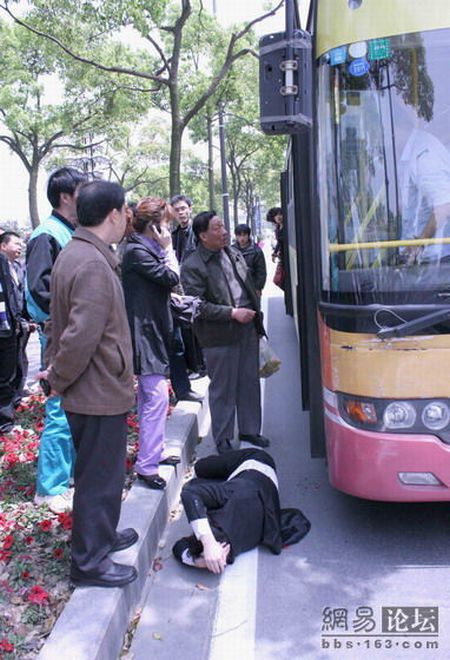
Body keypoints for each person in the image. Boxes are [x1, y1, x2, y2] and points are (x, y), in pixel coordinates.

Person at [41, 180, 138, 588]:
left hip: (94, 387)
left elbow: (59, 323)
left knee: (102, 474)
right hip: (96, 391)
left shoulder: (79, 252)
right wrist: (57, 377)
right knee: (99, 479)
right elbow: (80, 335)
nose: (126, 219)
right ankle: (89, 562)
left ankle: (101, 535)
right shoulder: (94, 263)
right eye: (125, 212)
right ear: (113, 214)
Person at [181, 211, 269, 454]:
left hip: (247, 329)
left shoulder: (232, 253)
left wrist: (255, 323)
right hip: (218, 337)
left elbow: (249, 286)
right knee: (223, 389)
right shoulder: (193, 266)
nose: (225, 232)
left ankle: (251, 430)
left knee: (249, 383)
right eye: (218, 228)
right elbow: (197, 305)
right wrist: (231, 313)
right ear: (203, 235)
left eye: (223, 227)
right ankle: (223, 439)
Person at [26, 167, 87, 513]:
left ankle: (68, 476)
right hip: (58, 333)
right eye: (81, 191)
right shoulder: (46, 235)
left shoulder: (67, 232)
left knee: (73, 405)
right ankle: (49, 488)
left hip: (68, 330)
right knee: (59, 408)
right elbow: (39, 288)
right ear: (66, 196)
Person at [122, 197, 181, 491]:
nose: (169, 228)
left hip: (153, 331)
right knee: (155, 397)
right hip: (144, 334)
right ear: (155, 226)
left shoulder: (143, 248)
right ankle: (147, 465)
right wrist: (169, 249)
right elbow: (172, 277)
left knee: (152, 398)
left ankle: (153, 454)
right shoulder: (137, 251)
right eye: (166, 223)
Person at [172, 448, 310, 573]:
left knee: (200, 477)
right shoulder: (228, 497)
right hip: (256, 461)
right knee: (200, 468)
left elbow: (298, 520)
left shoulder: (250, 541)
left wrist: (202, 560)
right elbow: (189, 494)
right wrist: (207, 545)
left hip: (250, 480)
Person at [0, 232, 35, 402]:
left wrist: (27, 320)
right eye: (16, 243)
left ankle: (17, 396)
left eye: (21, 243)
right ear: (3, 246)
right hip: (6, 325)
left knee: (19, 360)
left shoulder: (18, 267)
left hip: (20, 322)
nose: (20, 246)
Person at [0, 249, 22, 433]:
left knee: (6, 378)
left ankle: (5, 423)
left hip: (5, 327)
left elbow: (10, 291)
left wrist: (16, 319)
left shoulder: (1, 260)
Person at [232, 224, 267, 296]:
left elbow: (261, 271)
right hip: (236, 288)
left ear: (248, 235)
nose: (242, 238)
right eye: (239, 235)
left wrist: (258, 288)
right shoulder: (232, 250)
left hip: (252, 287)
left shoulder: (256, 251)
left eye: (244, 235)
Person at [170, 194, 197, 263]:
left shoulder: (198, 232)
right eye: (176, 210)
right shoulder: (173, 235)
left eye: (183, 208)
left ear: (190, 209)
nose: (180, 212)